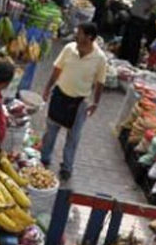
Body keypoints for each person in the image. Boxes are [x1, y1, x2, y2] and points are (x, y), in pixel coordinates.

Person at [40, 22, 107, 182]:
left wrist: (95, 103)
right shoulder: (69, 48)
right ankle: (44, 158)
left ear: (89, 37)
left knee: (73, 137)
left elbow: (100, 82)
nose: (76, 35)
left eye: (80, 33)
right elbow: (57, 69)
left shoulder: (100, 58)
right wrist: (48, 87)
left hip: (79, 102)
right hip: (60, 95)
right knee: (51, 131)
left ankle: (66, 167)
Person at [119, 0, 156, 65]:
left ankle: (131, 61)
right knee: (127, 38)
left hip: (140, 19)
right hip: (133, 16)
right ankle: (122, 57)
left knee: (134, 41)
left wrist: (147, 10)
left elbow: (155, 3)